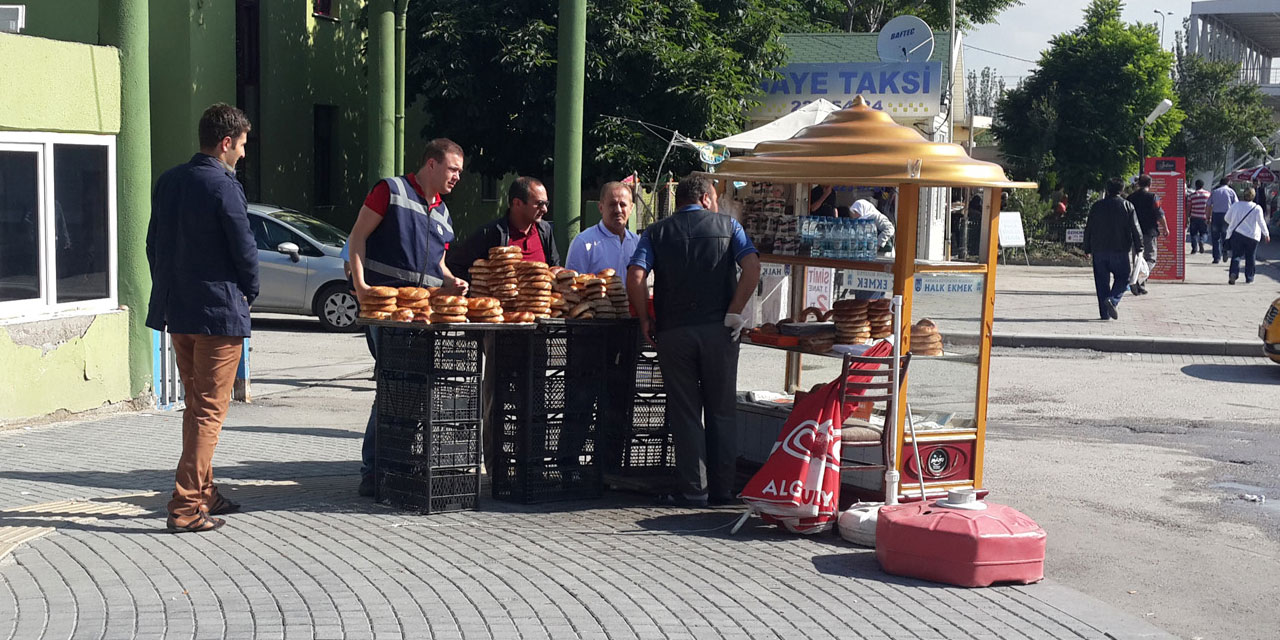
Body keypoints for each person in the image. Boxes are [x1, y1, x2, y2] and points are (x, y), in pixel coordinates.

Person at [146, 103, 259, 533]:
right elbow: (244, 249)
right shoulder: (224, 186)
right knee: (209, 412)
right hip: (219, 315)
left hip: (181, 313)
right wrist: (250, 292)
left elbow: (153, 244)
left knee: (196, 408)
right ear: (226, 142)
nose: (244, 154)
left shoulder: (170, 180)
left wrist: (172, 288)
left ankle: (206, 491)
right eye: (243, 145)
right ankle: (186, 506)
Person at [627, 176, 761, 507]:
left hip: (673, 333)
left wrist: (645, 318)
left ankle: (693, 490)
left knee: (686, 412)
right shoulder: (729, 226)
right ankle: (722, 490)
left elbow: (635, 276)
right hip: (719, 331)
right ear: (704, 198)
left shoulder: (655, 232)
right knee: (722, 410)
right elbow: (753, 267)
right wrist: (734, 312)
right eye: (714, 198)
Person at [347, 138, 470, 497]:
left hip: (423, 315)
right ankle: (374, 470)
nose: (457, 177)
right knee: (394, 385)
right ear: (430, 165)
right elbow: (357, 238)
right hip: (386, 313)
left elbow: (438, 264)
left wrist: (451, 281)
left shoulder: (443, 212)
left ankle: (396, 462)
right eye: (452, 169)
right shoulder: (391, 191)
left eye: (460, 172)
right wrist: (362, 286)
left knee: (413, 390)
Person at [447, 177, 561, 280]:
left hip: (540, 302)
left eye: (546, 203)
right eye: (539, 204)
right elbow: (456, 265)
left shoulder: (545, 230)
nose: (545, 209)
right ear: (517, 203)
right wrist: (483, 288)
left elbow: (554, 266)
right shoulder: (491, 233)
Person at [1083, 177, 1143, 320]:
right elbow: (1136, 229)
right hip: (1120, 250)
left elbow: (1089, 228)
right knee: (1123, 278)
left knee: (1101, 282)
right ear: (1121, 190)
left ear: (1107, 189)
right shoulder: (1127, 206)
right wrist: (1140, 247)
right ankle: (1113, 300)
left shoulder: (1096, 206)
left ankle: (1104, 314)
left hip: (1099, 250)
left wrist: (1087, 248)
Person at [565, 182, 640, 278]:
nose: (618, 210)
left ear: (631, 208)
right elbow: (572, 286)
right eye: (612, 204)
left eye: (623, 205)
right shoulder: (584, 243)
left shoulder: (637, 243)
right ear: (601, 207)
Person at [1126, 175, 1167, 294]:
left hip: (1134, 232)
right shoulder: (1153, 197)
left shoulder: (1131, 198)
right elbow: (1159, 214)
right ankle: (1137, 279)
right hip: (1149, 232)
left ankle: (1140, 286)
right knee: (1151, 258)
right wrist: (1165, 228)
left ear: (1138, 184)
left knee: (1137, 259)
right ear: (1150, 184)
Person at [1224, 186, 1270, 284]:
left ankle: (1233, 273)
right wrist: (1266, 234)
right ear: (1254, 196)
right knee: (1250, 256)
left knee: (1236, 255)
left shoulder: (1236, 205)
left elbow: (1226, 218)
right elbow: (1261, 222)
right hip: (1252, 236)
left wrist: (1233, 222)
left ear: (1243, 194)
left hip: (1237, 234)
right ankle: (1249, 277)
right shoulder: (1257, 208)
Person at [1208, 177, 1238, 264]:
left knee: (1215, 237)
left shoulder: (1214, 192)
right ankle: (1225, 251)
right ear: (1228, 182)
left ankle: (1216, 257)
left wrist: (1208, 217)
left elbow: (1209, 205)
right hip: (1227, 216)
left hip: (1216, 215)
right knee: (1226, 235)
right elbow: (1236, 205)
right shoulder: (1231, 192)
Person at [1186, 179, 1211, 255]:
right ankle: (1202, 241)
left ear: (1196, 186)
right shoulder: (1208, 194)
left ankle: (1194, 249)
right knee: (1204, 233)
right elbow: (1210, 206)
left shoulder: (1192, 195)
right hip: (1203, 217)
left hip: (1194, 217)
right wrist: (1209, 216)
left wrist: (1187, 217)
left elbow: (1188, 207)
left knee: (1193, 234)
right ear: (1203, 186)